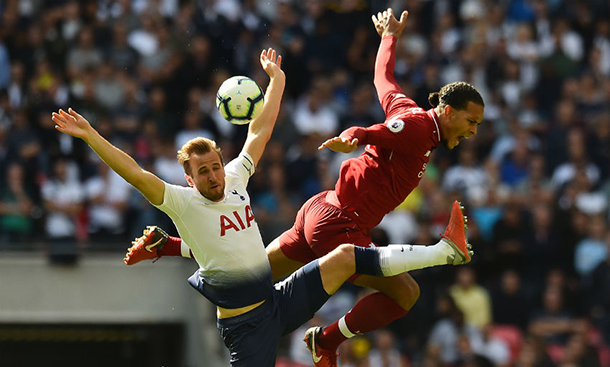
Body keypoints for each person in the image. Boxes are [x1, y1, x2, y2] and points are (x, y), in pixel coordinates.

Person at [52, 48, 472, 367]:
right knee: (377, 276)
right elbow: (135, 173)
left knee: (327, 259)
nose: (214, 176)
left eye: (216, 166)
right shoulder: (180, 201)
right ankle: (440, 254)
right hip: (247, 323)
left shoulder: (235, 179)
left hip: (281, 299)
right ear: (189, 179)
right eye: (204, 172)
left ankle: (169, 248)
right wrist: (90, 135)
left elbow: (260, 131)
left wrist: (278, 81)